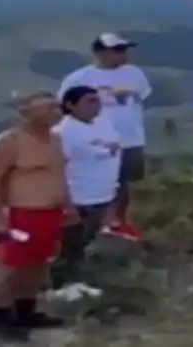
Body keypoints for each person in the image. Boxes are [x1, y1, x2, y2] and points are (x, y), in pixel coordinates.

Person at [0, 91, 72, 341]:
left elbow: (59, 175)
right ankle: (2, 321)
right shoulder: (9, 142)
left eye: (56, 106)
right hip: (20, 214)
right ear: (25, 113)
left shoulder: (56, 141)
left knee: (38, 267)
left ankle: (26, 314)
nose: (55, 111)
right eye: (47, 107)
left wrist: (68, 206)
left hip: (50, 213)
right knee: (9, 268)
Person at [58, 32, 151, 240]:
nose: (122, 54)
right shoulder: (79, 78)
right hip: (95, 138)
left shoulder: (135, 73)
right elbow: (64, 106)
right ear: (99, 53)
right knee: (93, 179)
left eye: (123, 50)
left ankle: (118, 221)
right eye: (116, 50)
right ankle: (88, 221)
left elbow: (142, 97)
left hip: (129, 137)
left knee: (122, 182)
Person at [50, 86, 120, 289]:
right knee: (70, 245)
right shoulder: (63, 133)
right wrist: (67, 202)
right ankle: (60, 285)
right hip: (79, 198)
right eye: (89, 101)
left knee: (85, 242)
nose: (96, 106)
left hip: (101, 196)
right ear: (70, 105)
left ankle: (75, 281)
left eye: (97, 100)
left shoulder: (101, 125)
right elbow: (58, 167)